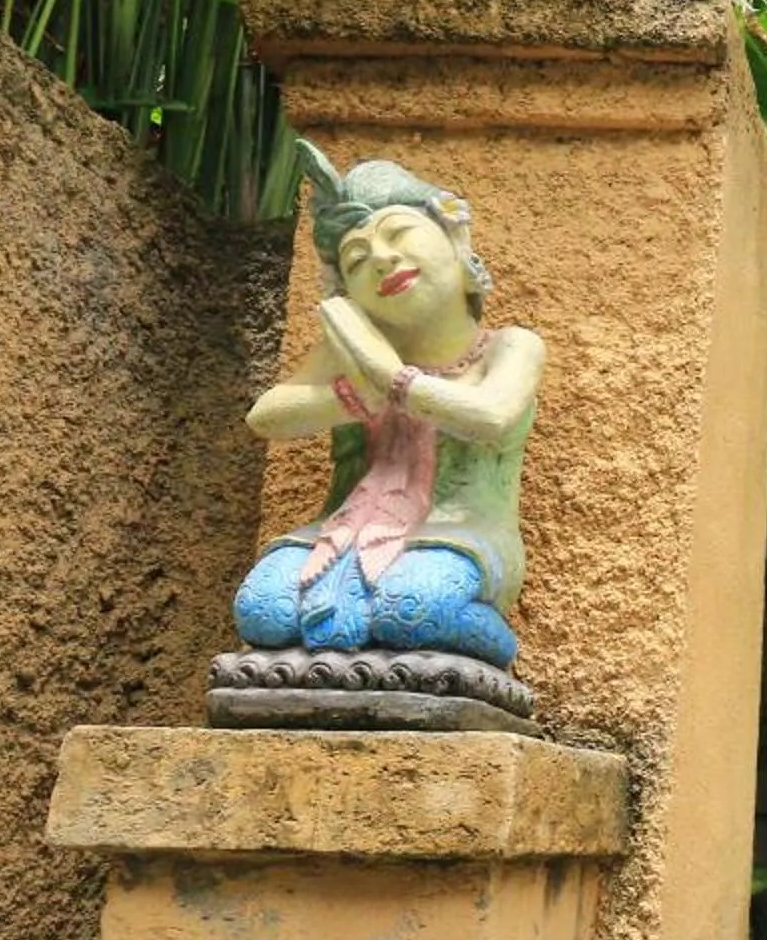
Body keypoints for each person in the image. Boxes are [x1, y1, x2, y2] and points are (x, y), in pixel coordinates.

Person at [232, 148, 543, 666]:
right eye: (356, 259)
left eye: (399, 235)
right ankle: (367, 661)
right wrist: (349, 396)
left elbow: (490, 416)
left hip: (462, 533)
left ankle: (488, 669)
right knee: (262, 610)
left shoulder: (511, 346)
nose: (380, 258)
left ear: (455, 242)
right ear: (346, 297)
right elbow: (265, 416)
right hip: (347, 529)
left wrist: (392, 379)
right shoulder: (347, 355)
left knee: (410, 610)